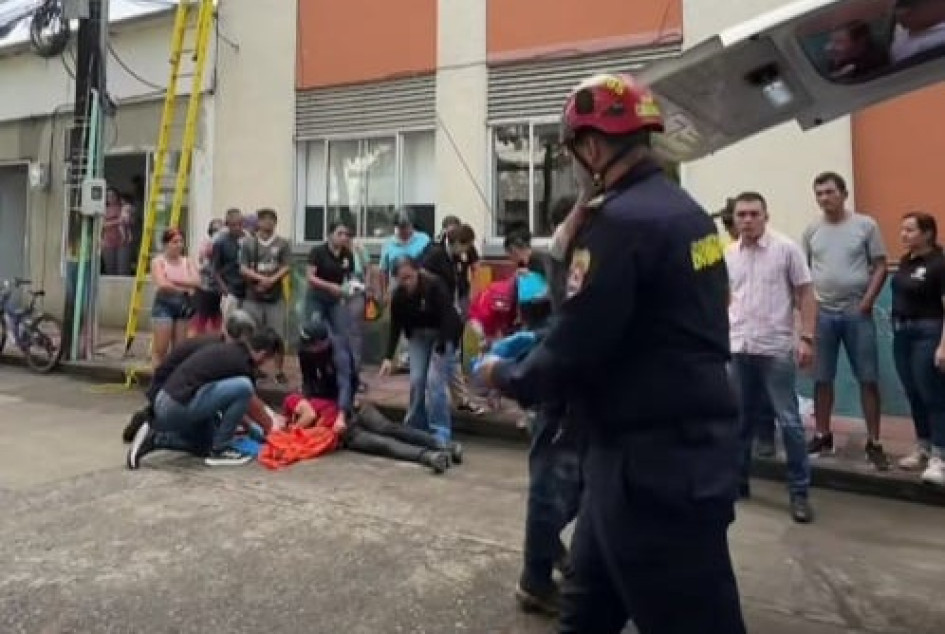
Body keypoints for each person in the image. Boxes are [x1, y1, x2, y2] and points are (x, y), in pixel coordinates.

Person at [476, 73, 746, 633]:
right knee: (584, 614)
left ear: (593, 149)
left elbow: (575, 343)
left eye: (573, 150)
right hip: (641, 455)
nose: (574, 164)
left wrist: (505, 374)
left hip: (653, 472)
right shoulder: (688, 212)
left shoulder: (620, 225)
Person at [726, 192, 816, 522]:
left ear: (766, 216)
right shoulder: (729, 254)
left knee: (789, 422)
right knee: (739, 421)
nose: (747, 220)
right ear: (734, 219)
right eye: (741, 215)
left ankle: (799, 493)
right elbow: (726, 297)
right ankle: (738, 483)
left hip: (775, 349)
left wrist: (806, 338)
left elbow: (806, 293)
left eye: (754, 214)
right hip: (739, 347)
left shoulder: (786, 249)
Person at [291, 318, 459, 474]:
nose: (308, 350)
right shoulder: (305, 353)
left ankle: (442, 445)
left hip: (349, 407)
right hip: (344, 426)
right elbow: (308, 382)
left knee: (389, 429)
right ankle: (429, 456)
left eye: (311, 346)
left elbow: (345, 382)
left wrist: (341, 415)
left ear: (322, 343)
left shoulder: (338, 349)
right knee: (381, 444)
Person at [803, 172, 890, 470]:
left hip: (857, 311)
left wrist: (868, 301)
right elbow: (804, 272)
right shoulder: (812, 229)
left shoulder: (865, 225)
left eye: (829, 192)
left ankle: (874, 441)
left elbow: (880, 265)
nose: (824, 198)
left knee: (868, 377)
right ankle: (822, 435)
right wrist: (808, 310)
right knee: (821, 377)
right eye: (819, 193)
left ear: (844, 194)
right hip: (823, 313)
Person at [126, 328, 284, 469]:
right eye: (273, 361)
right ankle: (221, 449)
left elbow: (230, 402)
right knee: (244, 386)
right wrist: (272, 430)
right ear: (263, 354)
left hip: (169, 402)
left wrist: (251, 428)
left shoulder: (231, 351)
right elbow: (249, 401)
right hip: (175, 405)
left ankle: (155, 439)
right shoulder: (242, 364)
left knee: (205, 444)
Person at [122, 309, 262, 443]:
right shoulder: (220, 350)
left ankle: (158, 423)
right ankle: (158, 431)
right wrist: (251, 425)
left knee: (211, 428)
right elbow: (231, 393)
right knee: (202, 440)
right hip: (170, 394)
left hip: (172, 392)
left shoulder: (218, 343)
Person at [716, 198, 778, 458]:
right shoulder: (725, 251)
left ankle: (765, 435)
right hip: (736, 331)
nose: (742, 224)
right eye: (734, 221)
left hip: (766, 334)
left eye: (752, 215)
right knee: (740, 391)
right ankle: (741, 444)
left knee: (763, 389)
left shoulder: (775, 249)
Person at [380, 256, 462, 445]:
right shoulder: (399, 296)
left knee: (434, 381)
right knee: (417, 380)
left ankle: (440, 430)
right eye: (401, 279)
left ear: (417, 272)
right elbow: (395, 326)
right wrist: (388, 357)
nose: (406, 282)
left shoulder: (434, 286)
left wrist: (443, 343)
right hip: (418, 335)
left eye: (409, 277)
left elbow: (448, 316)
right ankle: (416, 424)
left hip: (442, 332)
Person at [890, 212, 945, 486]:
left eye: (910, 230)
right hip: (903, 333)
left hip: (929, 332)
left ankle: (940, 456)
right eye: (902, 229)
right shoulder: (905, 261)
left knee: (932, 393)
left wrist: (943, 345)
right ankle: (922, 447)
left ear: (927, 233)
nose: (903, 234)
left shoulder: (939, 263)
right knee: (913, 392)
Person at [422, 221, 486, 415]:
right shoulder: (436, 255)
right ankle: (436, 410)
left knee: (453, 357)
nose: (467, 251)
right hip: (438, 315)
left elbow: (460, 282)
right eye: (466, 246)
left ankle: (461, 400)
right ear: (457, 242)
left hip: (453, 312)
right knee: (441, 363)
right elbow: (423, 279)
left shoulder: (457, 257)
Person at [240, 207, 291, 384]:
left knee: (278, 335)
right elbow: (243, 268)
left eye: (271, 219)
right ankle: (254, 368)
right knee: (252, 334)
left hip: (275, 297)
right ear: (258, 222)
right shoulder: (248, 243)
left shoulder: (282, 243)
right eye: (264, 219)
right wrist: (261, 279)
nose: (268, 222)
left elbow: (286, 266)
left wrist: (272, 280)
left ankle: (279, 370)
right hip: (252, 296)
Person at [150, 228, 200, 367]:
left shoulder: (187, 261)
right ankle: (158, 377)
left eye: (180, 242)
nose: (178, 245)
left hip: (184, 305)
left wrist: (173, 281)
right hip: (164, 305)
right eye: (174, 242)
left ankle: (174, 376)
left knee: (179, 350)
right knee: (161, 349)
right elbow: (162, 284)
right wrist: (185, 287)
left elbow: (196, 281)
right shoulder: (158, 261)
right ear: (166, 244)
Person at [306, 221, 358, 345]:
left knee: (341, 333)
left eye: (346, 234)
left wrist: (352, 288)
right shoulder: (318, 251)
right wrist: (329, 286)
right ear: (330, 235)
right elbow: (310, 277)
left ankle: (338, 357)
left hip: (336, 299)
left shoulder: (347, 254)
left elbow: (350, 277)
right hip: (317, 298)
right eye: (339, 234)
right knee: (315, 330)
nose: (343, 237)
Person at [191, 219, 224, 336]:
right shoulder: (207, 243)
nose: (218, 233)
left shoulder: (224, 243)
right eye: (216, 230)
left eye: (221, 230)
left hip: (220, 289)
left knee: (217, 318)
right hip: (206, 288)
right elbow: (203, 263)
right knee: (201, 319)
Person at [213, 208, 247, 319]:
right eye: (233, 225)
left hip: (248, 292)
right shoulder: (220, 242)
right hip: (230, 290)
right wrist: (225, 289)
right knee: (230, 324)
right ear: (227, 225)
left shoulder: (250, 240)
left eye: (240, 224)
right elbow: (215, 269)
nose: (237, 228)